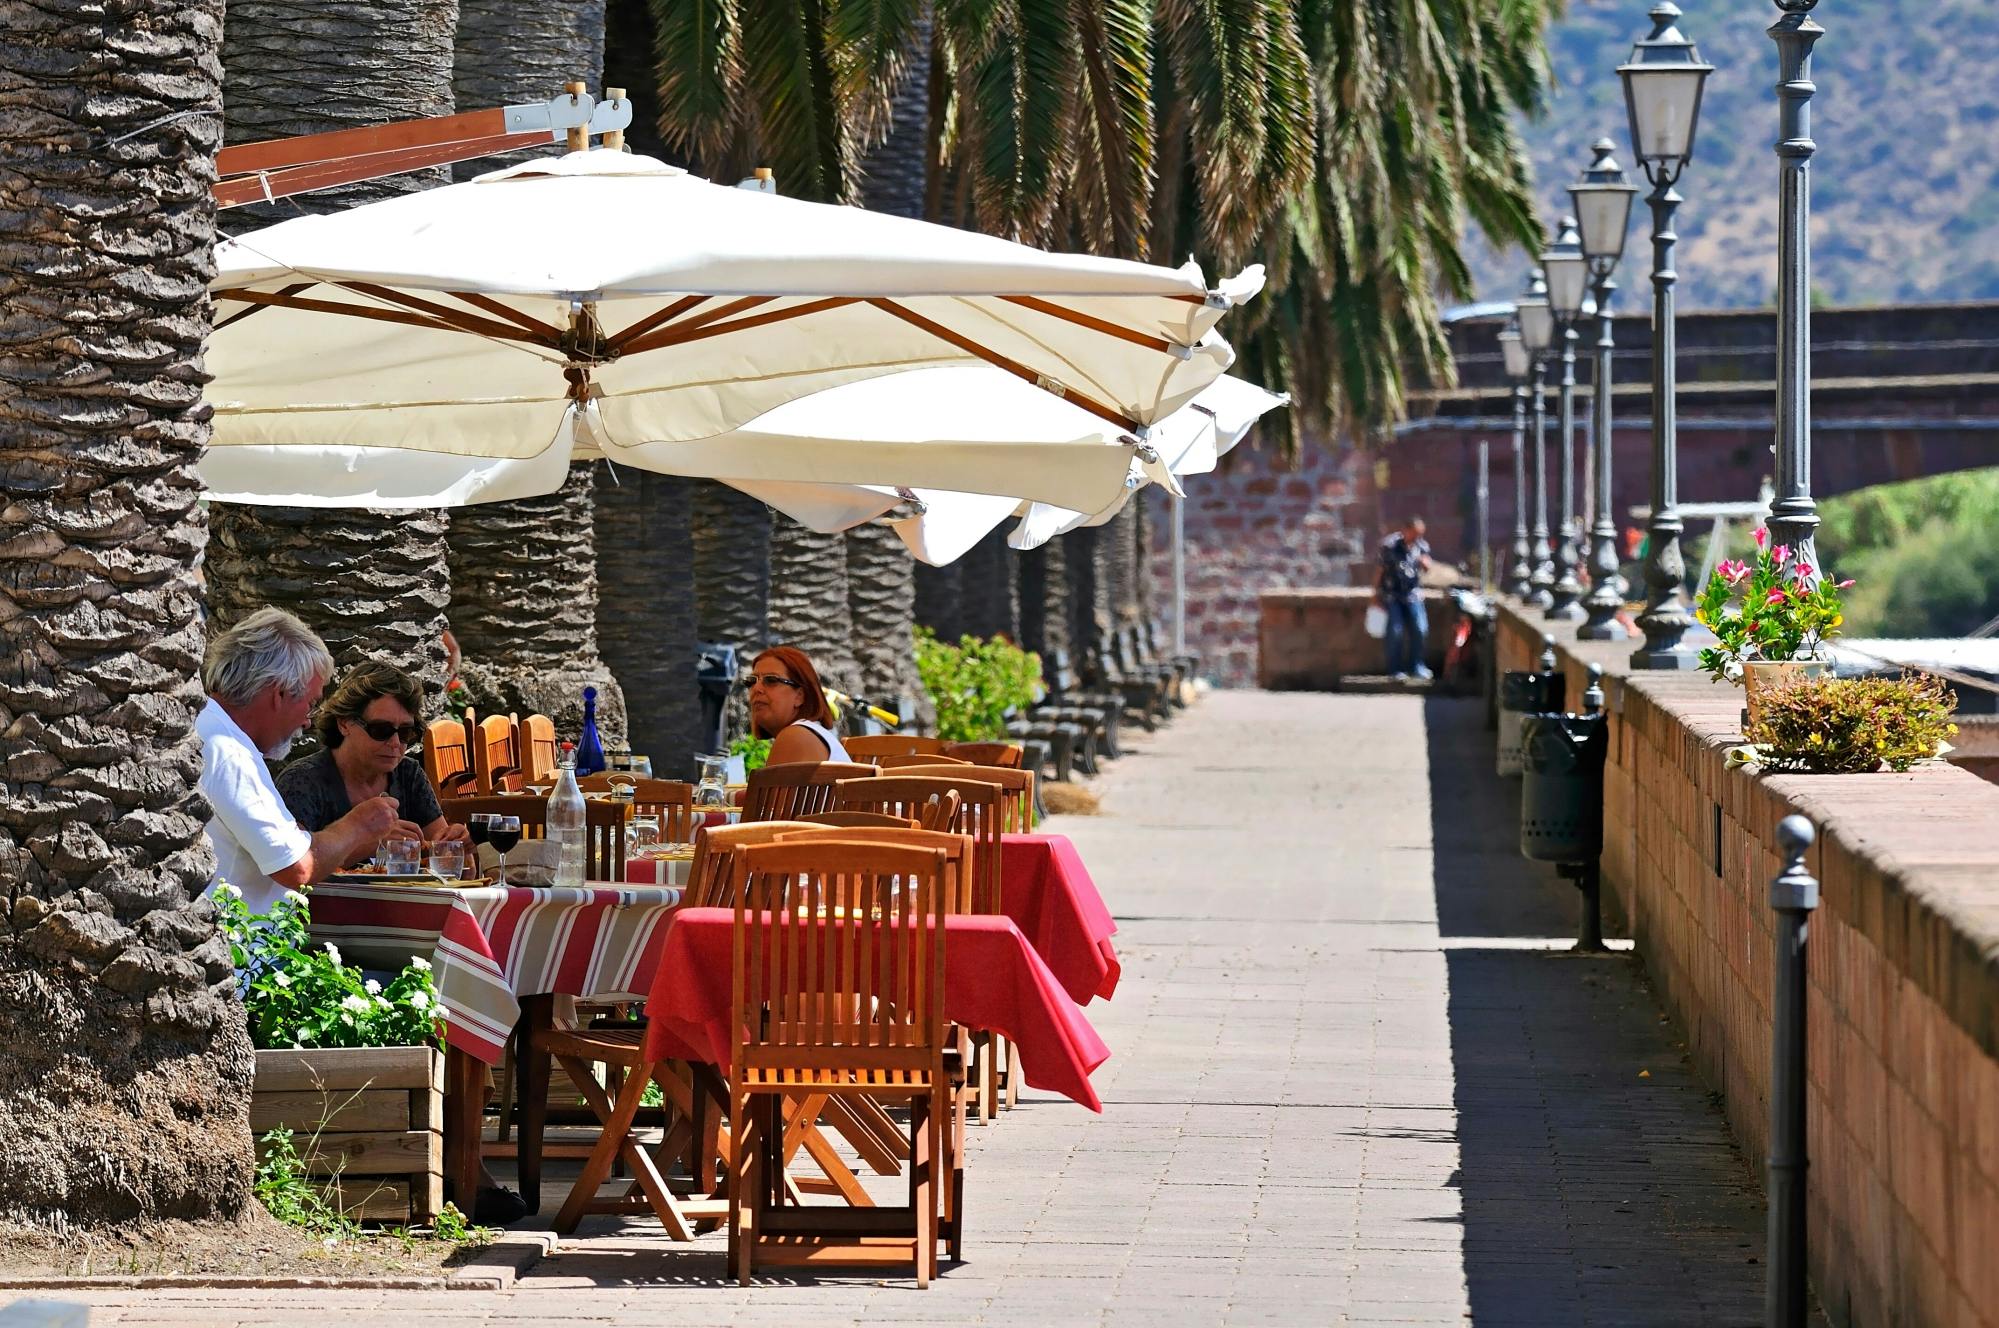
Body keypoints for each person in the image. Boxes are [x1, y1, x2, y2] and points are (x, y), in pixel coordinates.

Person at [197, 609, 399, 914]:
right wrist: (359, 824)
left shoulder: (207, 725)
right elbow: (298, 868)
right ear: (279, 693)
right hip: (240, 942)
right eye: (310, 703)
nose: (307, 721)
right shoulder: (230, 752)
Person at [276, 661, 470, 851]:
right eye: (381, 730)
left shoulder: (408, 774)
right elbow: (292, 861)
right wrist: (370, 843)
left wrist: (453, 844)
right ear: (344, 723)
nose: (395, 742)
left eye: (405, 732)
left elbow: (439, 848)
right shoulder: (302, 782)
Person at [746, 645, 852, 763]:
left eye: (771, 680)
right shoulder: (808, 733)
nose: (756, 688)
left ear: (799, 696)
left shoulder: (797, 736)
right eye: (751, 681)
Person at [1375, 516, 1434, 680]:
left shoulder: (1421, 546)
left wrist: (1426, 564)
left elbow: (1428, 565)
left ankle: (1417, 666)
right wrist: (1375, 595)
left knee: (1420, 628)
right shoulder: (1390, 546)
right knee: (1396, 631)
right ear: (1405, 530)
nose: (1417, 538)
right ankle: (1395, 670)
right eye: (1414, 534)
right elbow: (1379, 571)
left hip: (1413, 594)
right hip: (1393, 594)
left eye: (1420, 534)